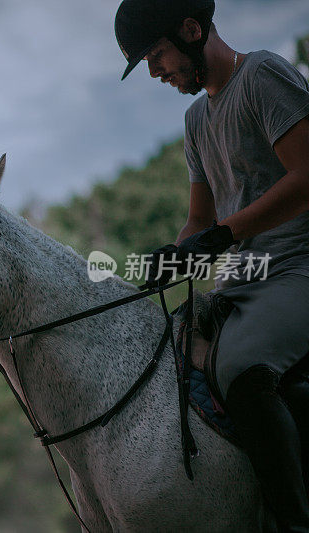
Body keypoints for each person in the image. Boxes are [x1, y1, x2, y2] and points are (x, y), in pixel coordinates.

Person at [115, 0, 309, 530]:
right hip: (242, 280)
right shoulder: (196, 118)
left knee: (242, 373)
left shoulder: (263, 74)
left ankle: (295, 522)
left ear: (192, 30)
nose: (154, 72)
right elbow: (200, 218)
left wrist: (223, 235)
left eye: (156, 55)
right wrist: (176, 257)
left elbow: (306, 178)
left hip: (298, 268)